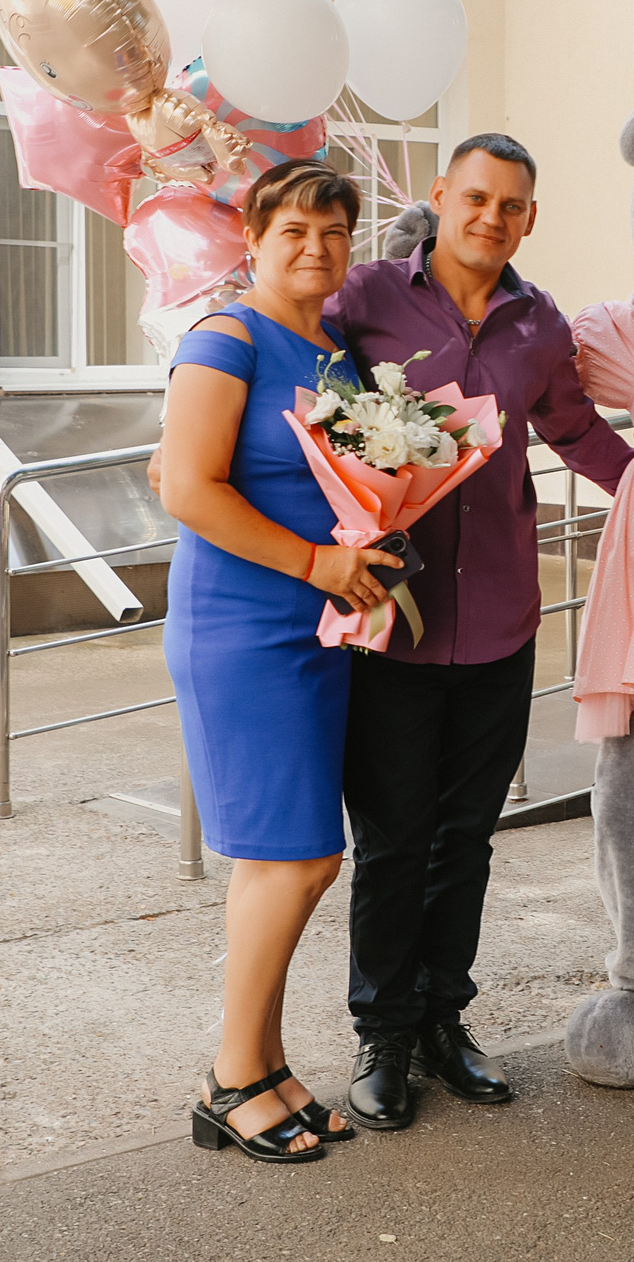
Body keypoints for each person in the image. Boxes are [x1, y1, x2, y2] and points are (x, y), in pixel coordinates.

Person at [322, 134, 634, 1130]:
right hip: (393, 620)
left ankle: (445, 1024)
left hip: (498, 621)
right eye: (476, 199)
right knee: (391, 839)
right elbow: (299, 381)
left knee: (466, 838)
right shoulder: (364, 295)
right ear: (440, 197)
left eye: (511, 206)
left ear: (528, 220)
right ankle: (382, 1035)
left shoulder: (537, 324)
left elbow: (576, 429)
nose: (491, 217)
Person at [156, 159, 405, 1166]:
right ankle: (230, 1079)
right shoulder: (225, 339)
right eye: (295, 229)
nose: (316, 247)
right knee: (288, 855)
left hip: (322, 628)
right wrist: (315, 561)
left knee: (305, 856)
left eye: (334, 232)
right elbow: (186, 487)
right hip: (243, 625)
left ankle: (263, 1065)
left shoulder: (335, 349)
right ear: (251, 239)